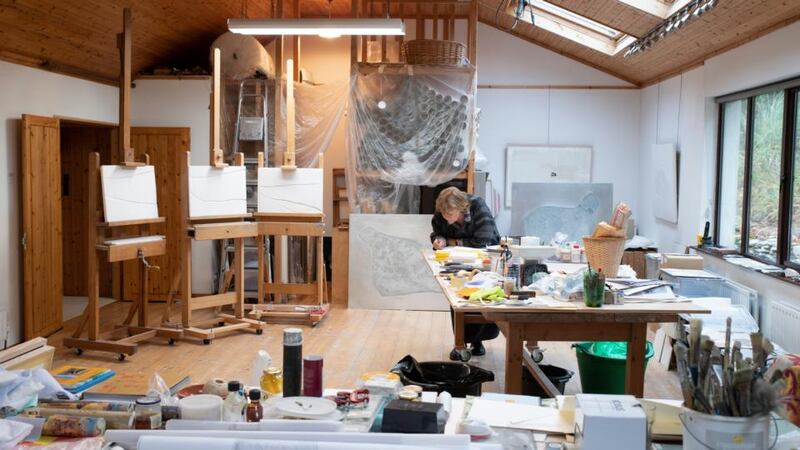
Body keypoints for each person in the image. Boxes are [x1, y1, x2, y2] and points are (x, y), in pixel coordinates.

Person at [430, 187, 501, 359]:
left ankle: (479, 340)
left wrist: (451, 241)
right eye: (444, 214)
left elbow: (482, 241)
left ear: (461, 207)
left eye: (451, 214)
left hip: (485, 257)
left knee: (482, 294)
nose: (447, 220)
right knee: (458, 296)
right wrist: (438, 241)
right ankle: (462, 341)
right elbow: (437, 232)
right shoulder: (441, 213)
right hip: (456, 260)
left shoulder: (478, 206)